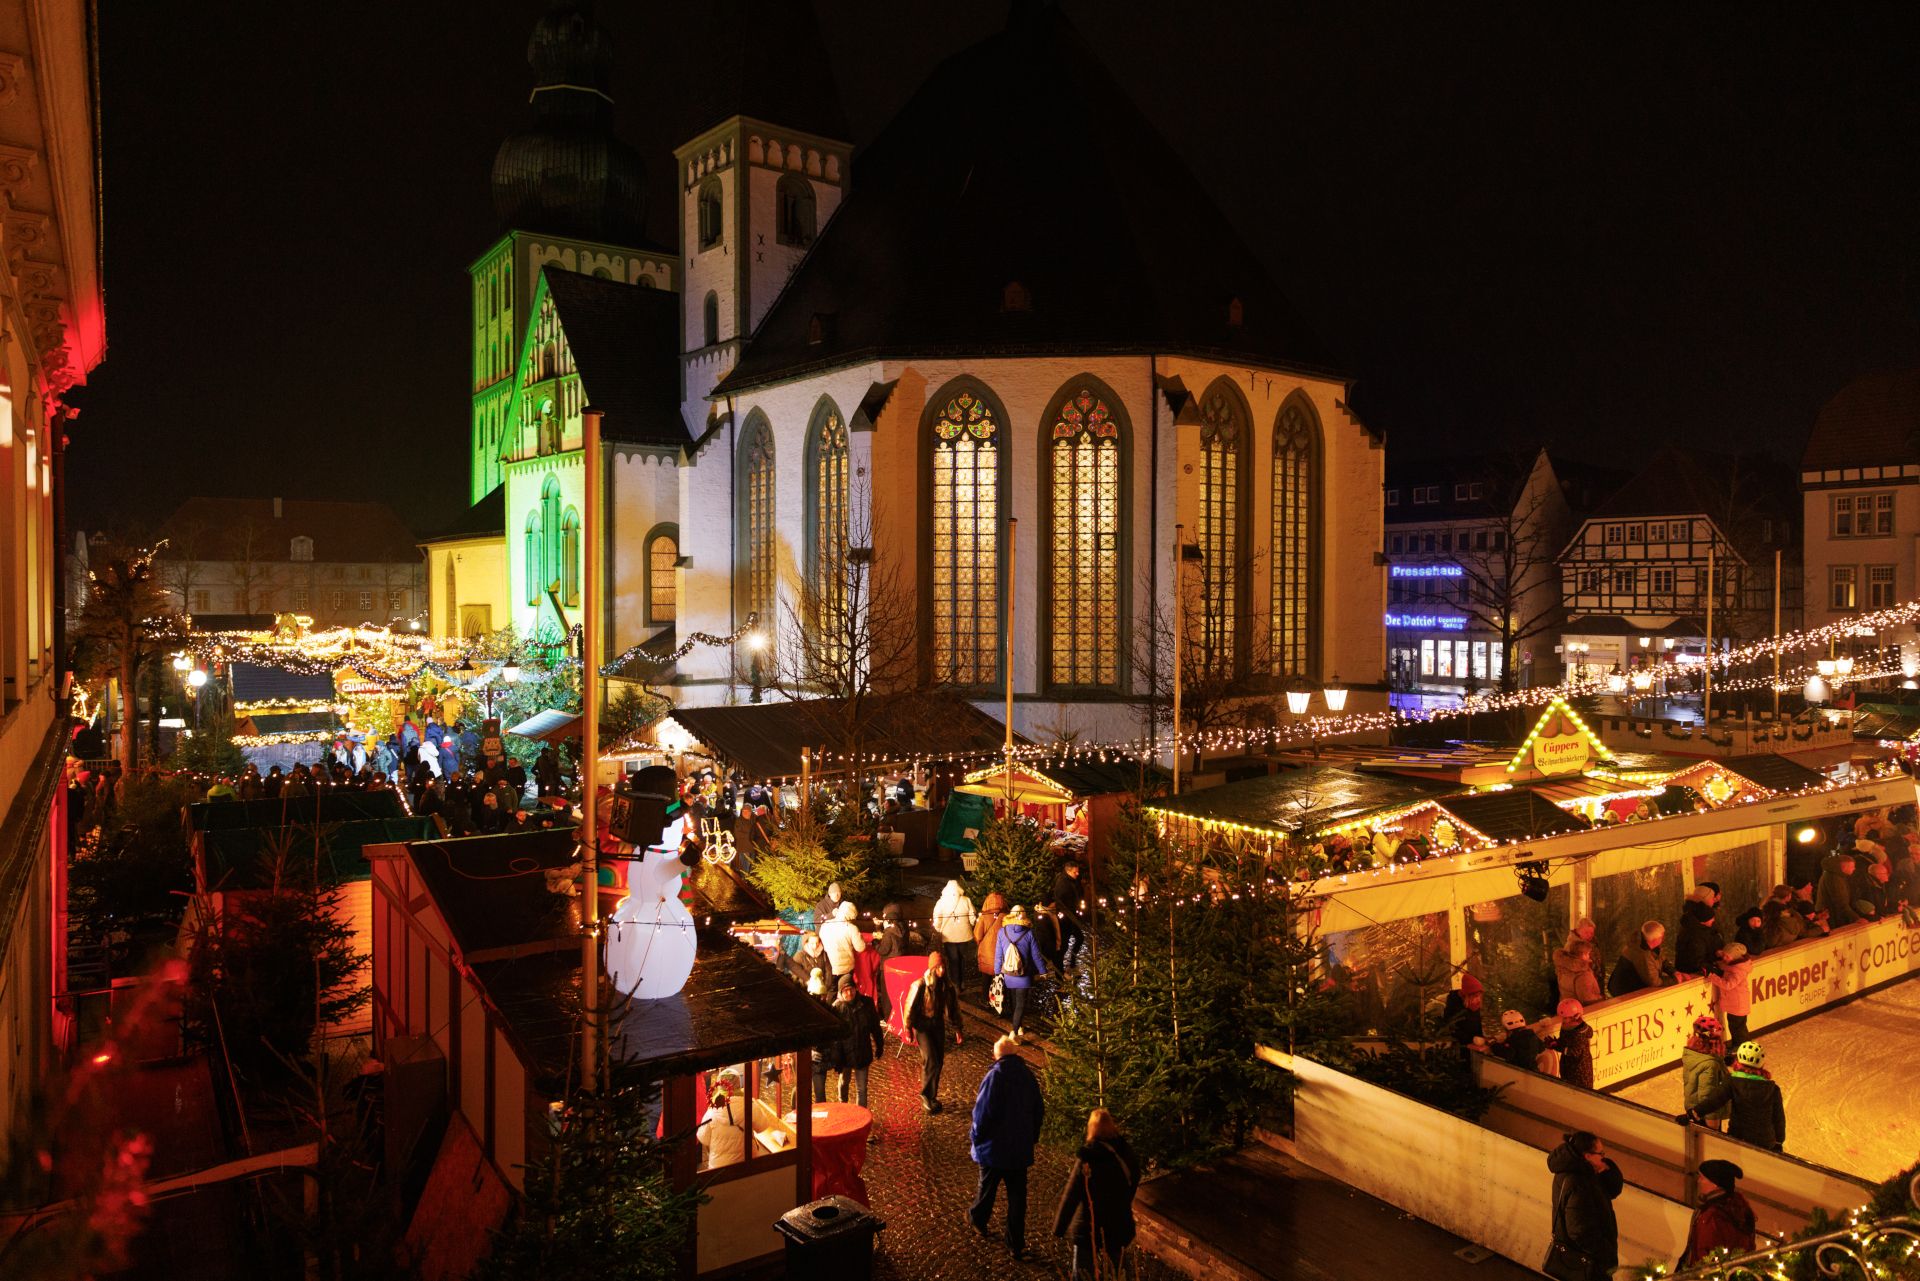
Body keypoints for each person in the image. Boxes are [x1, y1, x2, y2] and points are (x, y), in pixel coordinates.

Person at [969, 1034, 1046, 1260]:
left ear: (997, 1055)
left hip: (993, 1150)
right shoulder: (1028, 1076)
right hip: (1018, 1151)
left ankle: (978, 1220)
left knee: (987, 1188)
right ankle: (1015, 1244)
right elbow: (1038, 1110)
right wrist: (1031, 1137)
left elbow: (982, 1114)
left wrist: (976, 1137)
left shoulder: (994, 1077)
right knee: (1017, 1198)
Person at [1053, 1108, 1140, 1276]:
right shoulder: (1123, 1150)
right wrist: (1124, 1200)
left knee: (1083, 1269)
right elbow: (1134, 1176)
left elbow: (1072, 1194)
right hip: (1117, 1220)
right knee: (1119, 1266)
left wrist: (1059, 1227)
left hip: (1089, 1224)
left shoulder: (1088, 1157)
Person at [1546, 1131, 1623, 1281]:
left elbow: (1611, 1191)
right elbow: (1579, 1230)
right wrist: (1605, 1254)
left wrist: (1607, 1171)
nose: (1604, 1157)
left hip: (1582, 1260)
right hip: (1588, 1263)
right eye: (1601, 1154)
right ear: (1587, 1156)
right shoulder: (1579, 1182)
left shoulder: (1578, 1172)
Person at [903, 951, 964, 1113]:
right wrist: (908, 1028)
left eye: (943, 967)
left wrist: (958, 1029)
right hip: (922, 1025)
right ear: (932, 968)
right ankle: (926, 1094)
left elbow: (953, 1010)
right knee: (931, 1059)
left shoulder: (947, 986)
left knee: (939, 1060)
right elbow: (909, 1008)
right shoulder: (920, 985)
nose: (942, 970)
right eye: (938, 967)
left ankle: (932, 1096)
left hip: (937, 1024)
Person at [1680, 1159, 1757, 1267]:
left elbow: (1704, 1254)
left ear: (1714, 1183)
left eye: (1702, 1177)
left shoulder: (1711, 1216)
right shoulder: (1741, 1208)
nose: (1698, 1181)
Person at [995, 906, 1049, 1043]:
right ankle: (1014, 1031)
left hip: (1008, 974)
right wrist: (1043, 971)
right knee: (1021, 1004)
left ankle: (1018, 1026)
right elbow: (1036, 956)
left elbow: (998, 955)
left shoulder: (1002, 932)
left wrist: (997, 972)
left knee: (1014, 1001)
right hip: (1024, 975)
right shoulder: (1029, 933)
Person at [829, 977, 884, 1108]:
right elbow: (834, 1038)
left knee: (862, 1089)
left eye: (851, 989)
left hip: (862, 1052)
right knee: (844, 1083)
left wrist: (879, 1045)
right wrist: (835, 1058)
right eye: (845, 991)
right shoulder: (837, 1008)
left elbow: (875, 1027)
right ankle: (843, 1107)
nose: (849, 994)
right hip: (845, 1056)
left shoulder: (867, 1004)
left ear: (855, 988)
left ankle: (861, 1117)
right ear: (840, 993)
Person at [1726, 1041, 1785, 1152]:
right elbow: (1778, 1118)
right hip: (1764, 1140)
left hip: (1737, 1135)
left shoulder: (1732, 1083)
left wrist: (1695, 1112)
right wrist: (1779, 1141)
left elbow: (1715, 1100)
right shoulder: (1773, 1089)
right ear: (1762, 1064)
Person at [1680, 1015, 1732, 1131]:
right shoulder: (1710, 1064)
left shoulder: (1692, 1055)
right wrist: (1712, 1123)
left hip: (1695, 1110)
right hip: (1706, 1116)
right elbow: (1707, 1094)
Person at [1608, 920, 1674, 997]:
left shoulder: (1651, 945)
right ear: (1655, 939)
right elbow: (1653, 981)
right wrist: (1674, 980)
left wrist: (1674, 972)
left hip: (1633, 989)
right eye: (1662, 936)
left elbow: (1663, 960)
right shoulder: (1640, 953)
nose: (1663, 938)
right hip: (1625, 993)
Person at [696, 1074, 749, 1169]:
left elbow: (703, 1138)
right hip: (746, 1161)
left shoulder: (711, 1113)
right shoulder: (749, 1104)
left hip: (718, 1165)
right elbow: (763, 1126)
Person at [1708, 942, 1755, 1046]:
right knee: (1738, 1027)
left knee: (1737, 1028)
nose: (1724, 958)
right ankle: (1741, 1044)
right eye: (1724, 955)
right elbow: (1726, 966)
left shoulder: (1738, 971)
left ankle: (1741, 1046)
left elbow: (1728, 985)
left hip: (1737, 1005)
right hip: (1736, 1004)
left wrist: (1712, 977)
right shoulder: (1734, 965)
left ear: (1734, 958)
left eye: (1727, 956)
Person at [932, 879, 978, 986]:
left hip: (948, 937)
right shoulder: (966, 900)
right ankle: (962, 982)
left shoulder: (941, 902)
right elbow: (972, 915)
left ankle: (955, 982)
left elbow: (937, 917)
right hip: (964, 935)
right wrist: (971, 924)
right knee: (962, 958)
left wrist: (938, 928)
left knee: (953, 960)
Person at [1549, 999, 1596, 1090]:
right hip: (1568, 1066)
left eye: (1566, 1018)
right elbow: (1565, 1040)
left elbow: (1575, 1052)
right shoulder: (1567, 1025)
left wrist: (1558, 1046)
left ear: (1574, 1017)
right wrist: (1556, 1042)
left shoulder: (1579, 1033)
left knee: (1580, 1093)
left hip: (1579, 1069)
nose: (1563, 1020)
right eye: (1562, 1017)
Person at [1676, 890, 1725, 977]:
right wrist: (1715, 968)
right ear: (1703, 921)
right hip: (1692, 975)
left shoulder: (1701, 930)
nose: (1714, 920)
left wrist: (1716, 954)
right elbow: (1696, 961)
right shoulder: (1696, 935)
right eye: (1711, 918)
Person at [1050, 859, 1087, 965]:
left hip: (1073, 917)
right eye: (1075, 872)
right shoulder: (1062, 883)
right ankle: (1059, 968)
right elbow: (1060, 902)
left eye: (1078, 871)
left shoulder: (1073, 880)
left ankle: (1072, 961)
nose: (1078, 874)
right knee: (1064, 945)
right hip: (1066, 919)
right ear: (1068, 871)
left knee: (1080, 938)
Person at [819, 899, 867, 982]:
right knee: (846, 991)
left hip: (830, 967)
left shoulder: (825, 925)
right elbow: (860, 948)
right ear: (851, 915)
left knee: (832, 991)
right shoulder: (851, 928)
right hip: (847, 968)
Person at [975, 891, 1010, 998]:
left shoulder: (983, 917)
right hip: (1002, 952)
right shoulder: (1007, 916)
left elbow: (977, 935)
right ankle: (998, 1000)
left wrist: (982, 944)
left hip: (986, 951)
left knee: (986, 978)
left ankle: (984, 998)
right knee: (1000, 978)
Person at [1439, 973, 1487, 1051]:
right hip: (1460, 1045)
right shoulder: (1454, 1004)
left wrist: (1481, 1037)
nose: (1478, 999)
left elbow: (1477, 1024)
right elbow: (1450, 1026)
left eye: (1479, 996)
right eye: (1475, 996)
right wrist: (1469, 1040)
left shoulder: (1474, 1003)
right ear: (1468, 996)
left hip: (1475, 1044)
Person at [1814, 852, 1860, 927]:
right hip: (1830, 915)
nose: (1854, 869)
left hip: (1832, 914)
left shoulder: (1837, 876)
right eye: (1852, 867)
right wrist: (1856, 918)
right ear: (1844, 867)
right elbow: (1840, 901)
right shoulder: (1834, 879)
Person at [1553, 940, 1602, 1006]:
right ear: (1583, 954)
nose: (1589, 957)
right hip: (1580, 1011)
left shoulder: (1564, 967)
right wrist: (1601, 1001)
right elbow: (1588, 1000)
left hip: (1567, 1008)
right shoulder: (1582, 974)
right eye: (1588, 954)